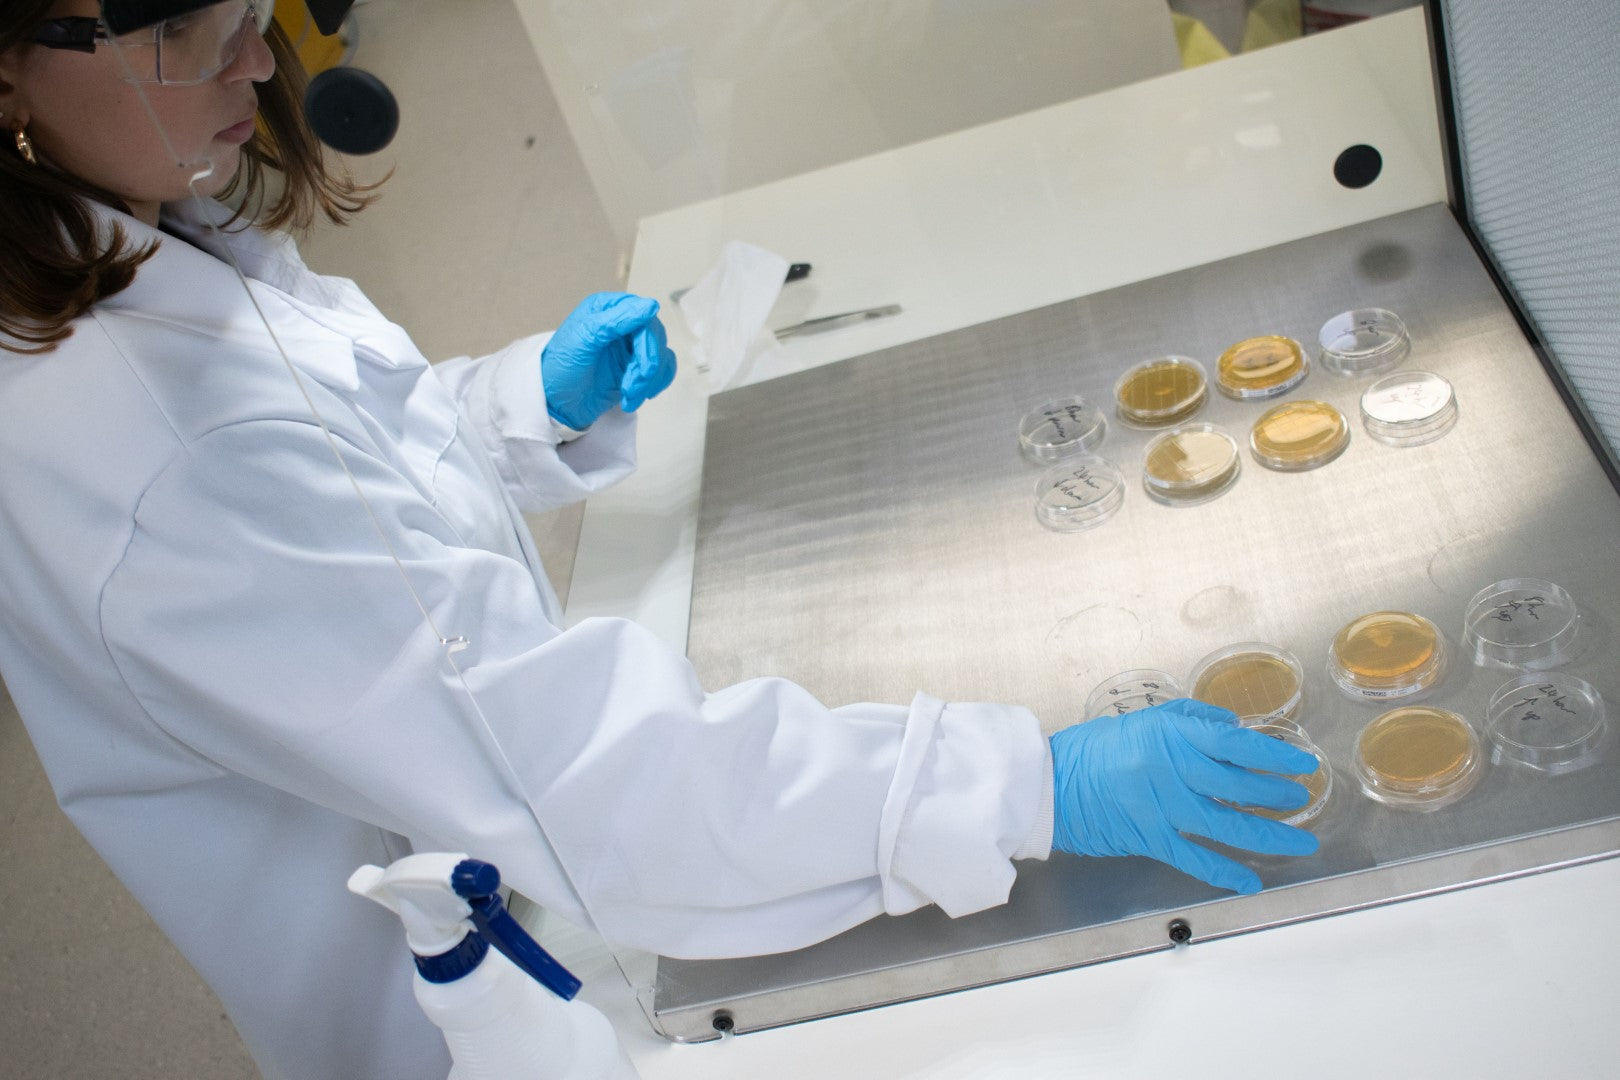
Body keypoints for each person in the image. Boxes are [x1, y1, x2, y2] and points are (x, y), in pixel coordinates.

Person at [0, 3, 1320, 1077]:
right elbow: (575, 783)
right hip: (508, 1000)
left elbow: (358, 491)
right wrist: (1018, 786)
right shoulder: (147, 457)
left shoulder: (144, 218)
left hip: (541, 846)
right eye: (183, 25)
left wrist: (520, 404)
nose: (254, 51)